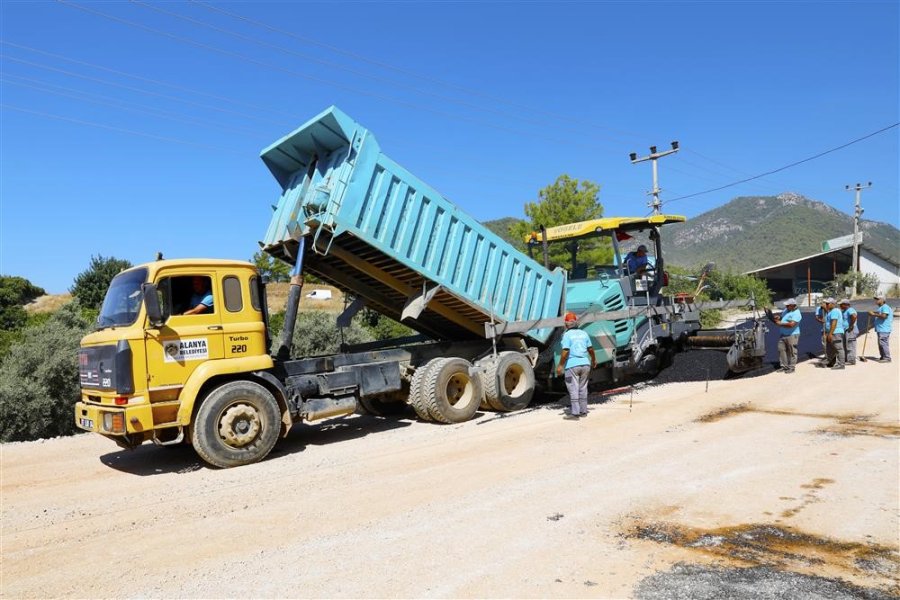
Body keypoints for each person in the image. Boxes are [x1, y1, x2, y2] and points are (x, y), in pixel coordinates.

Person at [557, 311, 597, 419]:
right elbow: (590, 349)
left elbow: (565, 351)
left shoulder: (567, 335)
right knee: (583, 387)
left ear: (566, 324)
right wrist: (593, 360)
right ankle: (583, 411)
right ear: (576, 323)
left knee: (573, 388)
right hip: (585, 364)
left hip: (572, 365)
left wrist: (560, 365)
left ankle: (575, 413)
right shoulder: (584, 333)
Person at [772, 298, 801, 373]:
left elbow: (791, 324)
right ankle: (784, 366)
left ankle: (791, 367)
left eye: (788, 305)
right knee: (781, 349)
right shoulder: (786, 310)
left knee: (792, 351)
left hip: (792, 335)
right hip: (783, 334)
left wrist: (780, 324)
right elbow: (782, 318)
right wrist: (778, 318)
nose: (786, 307)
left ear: (792, 305)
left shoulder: (797, 313)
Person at [868, 293, 893, 363]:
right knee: (881, 343)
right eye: (875, 299)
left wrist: (873, 314)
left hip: (884, 329)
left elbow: (884, 316)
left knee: (883, 343)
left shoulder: (885, 307)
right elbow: (880, 316)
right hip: (881, 329)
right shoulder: (881, 308)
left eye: (877, 299)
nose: (876, 300)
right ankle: (883, 356)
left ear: (882, 300)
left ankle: (887, 357)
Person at [823, 297, 845, 369]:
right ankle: (832, 362)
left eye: (827, 304)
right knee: (831, 349)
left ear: (833, 304)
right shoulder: (831, 311)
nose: (826, 305)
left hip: (836, 333)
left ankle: (841, 364)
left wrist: (830, 333)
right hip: (832, 332)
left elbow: (834, 322)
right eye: (826, 303)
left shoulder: (835, 311)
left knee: (838, 349)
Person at [839, 299, 858, 366]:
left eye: (841, 304)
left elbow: (854, 316)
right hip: (846, 330)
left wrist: (851, 326)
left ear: (846, 304)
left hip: (850, 330)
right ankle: (847, 358)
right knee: (846, 345)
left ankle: (851, 360)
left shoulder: (850, 309)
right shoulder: (844, 311)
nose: (840, 305)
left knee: (850, 345)